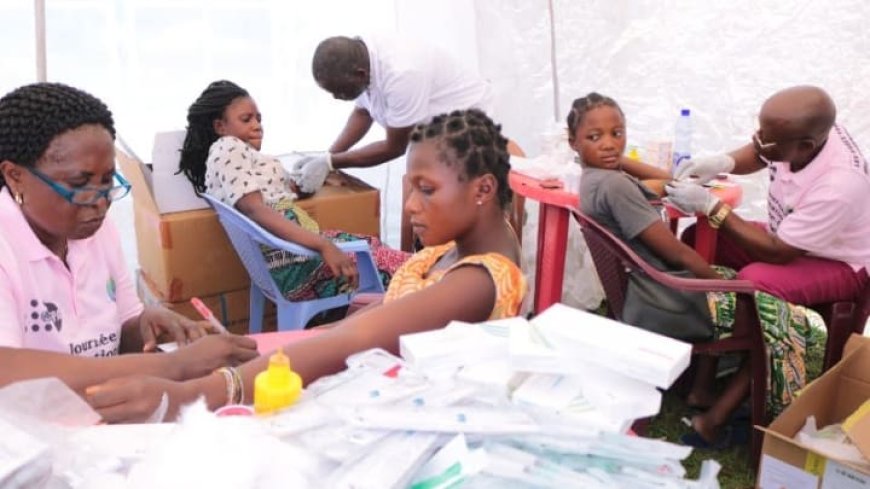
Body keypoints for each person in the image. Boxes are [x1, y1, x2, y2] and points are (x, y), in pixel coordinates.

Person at [85, 109, 527, 423]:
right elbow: (379, 314)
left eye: (426, 190)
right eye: (412, 188)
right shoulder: (452, 251)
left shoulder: (479, 281)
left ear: (483, 190)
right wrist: (268, 349)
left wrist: (197, 393)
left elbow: (360, 337)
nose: (410, 205)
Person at [569, 92, 823, 448]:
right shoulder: (615, 186)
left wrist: (615, 157)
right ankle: (715, 421)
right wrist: (724, 287)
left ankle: (703, 390)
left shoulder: (596, 179)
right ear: (573, 141)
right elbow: (677, 254)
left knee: (745, 281)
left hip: (651, 290)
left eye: (617, 133)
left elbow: (666, 179)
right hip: (671, 297)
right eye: (595, 137)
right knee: (788, 320)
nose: (610, 144)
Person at [0, 82, 258, 391]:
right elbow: (7, 372)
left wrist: (145, 325)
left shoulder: (96, 230)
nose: (100, 201)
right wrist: (174, 365)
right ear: (15, 177)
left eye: (107, 181)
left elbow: (120, 332)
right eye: (80, 183)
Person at [178, 80, 409, 304]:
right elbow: (254, 208)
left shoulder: (239, 156)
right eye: (246, 119)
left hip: (297, 257)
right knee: (411, 270)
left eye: (259, 119)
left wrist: (304, 181)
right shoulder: (228, 147)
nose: (257, 125)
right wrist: (323, 245)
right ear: (220, 126)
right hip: (301, 266)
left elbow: (270, 197)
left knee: (376, 248)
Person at [668, 85, 869, 308]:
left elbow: (778, 252)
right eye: (760, 130)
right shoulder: (805, 135)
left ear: (805, 146)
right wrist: (724, 162)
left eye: (766, 139)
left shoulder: (838, 187)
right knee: (697, 238)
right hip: (793, 237)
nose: (757, 139)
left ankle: (740, 327)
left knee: (752, 282)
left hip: (839, 262)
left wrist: (711, 206)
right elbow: (761, 152)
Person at [290, 34, 493, 193]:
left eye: (339, 91)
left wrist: (330, 163)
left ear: (360, 74)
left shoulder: (403, 74)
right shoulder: (361, 58)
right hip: (434, 132)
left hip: (468, 128)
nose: (336, 97)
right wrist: (329, 156)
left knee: (438, 197)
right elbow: (363, 113)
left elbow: (394, 147)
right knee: (418, 192)